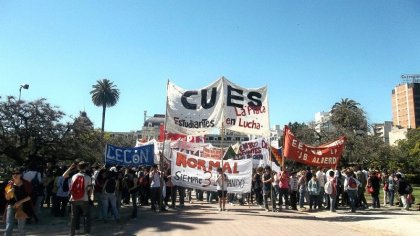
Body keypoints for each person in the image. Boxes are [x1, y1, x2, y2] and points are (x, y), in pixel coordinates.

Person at [64, 161, 92, 236]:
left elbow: (64, 175)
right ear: (86, 167)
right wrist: (89, 197)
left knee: (74, 216)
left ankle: (72, 233)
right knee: (86, 215)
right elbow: (89, 189)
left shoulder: (74, 176)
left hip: (73, 198)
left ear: (78, 167)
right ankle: (87, 232)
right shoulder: (88, 177)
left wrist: (70, 167)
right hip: (84, 198)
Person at [3, 167, 32, 236]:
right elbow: (7, 198)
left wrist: (20, 202)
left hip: (22, 207)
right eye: (13, 173)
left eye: (17, 173)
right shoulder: (10, 184)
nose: (15, 175)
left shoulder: (26, 183)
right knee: (9, 225)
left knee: (21, 227)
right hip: (11, 205)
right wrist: (9, 193)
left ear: (21, 175)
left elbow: (30, 196)